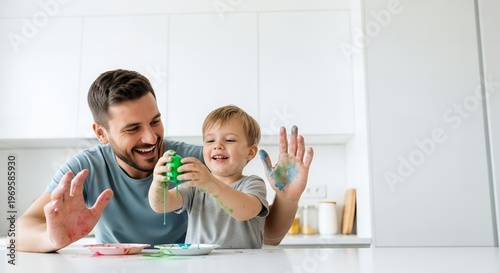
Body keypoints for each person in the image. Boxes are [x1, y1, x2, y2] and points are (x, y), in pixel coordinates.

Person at [17, 69, 314, 253]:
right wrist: (51, 239)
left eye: (155, 121)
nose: (151, 138)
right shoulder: (85, 168)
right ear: (101, 133)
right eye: (133, 128)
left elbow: (268, 236)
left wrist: (287, 198)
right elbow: (21, 230)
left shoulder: (201, 164)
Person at [149, 105, 268, 248]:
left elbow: (245, 211)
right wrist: (158, 183)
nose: (217, 145)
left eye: (229, 140)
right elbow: (161, 205)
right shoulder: (194, 188)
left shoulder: (252, 183)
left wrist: (211, 184)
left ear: (251, 152)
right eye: (210, 141)